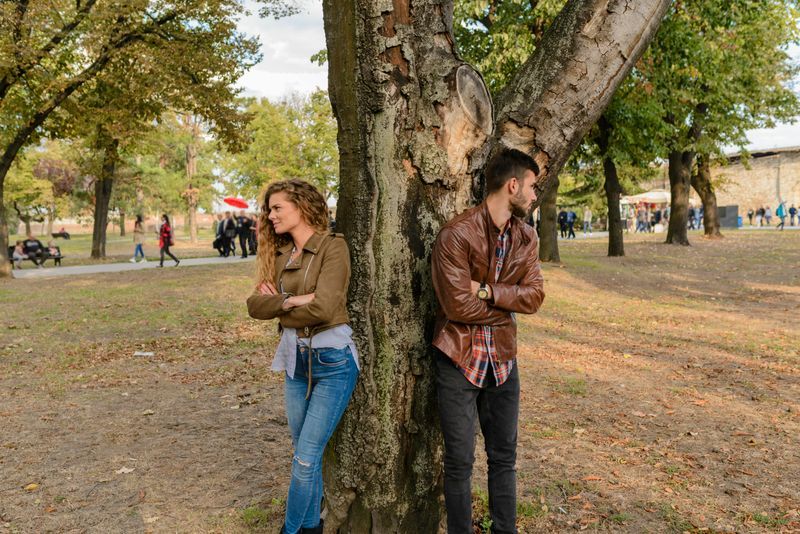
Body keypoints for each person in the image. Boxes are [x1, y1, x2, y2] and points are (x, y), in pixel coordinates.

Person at [431, 148, 545, 534]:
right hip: (458, 359)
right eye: (532, 186)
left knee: (504, 458)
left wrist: (487, 291)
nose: (535, 195)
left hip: (502, 362)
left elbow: (534, 296)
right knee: (459, 463)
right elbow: (456, 305)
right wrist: (506, 309)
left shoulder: (527, 238)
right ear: (513, 185)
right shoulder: (456, 234)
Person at [247, 179, 359, 534]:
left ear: (302, 206)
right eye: (269, 209)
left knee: (306, 459)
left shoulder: (333, 247)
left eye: (277, 207)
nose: (271, 215)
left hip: (334, 363)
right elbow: (255, 305)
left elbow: (325, 308)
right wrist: (294, 301)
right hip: (295, 362)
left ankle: (292, 530)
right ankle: (311, 527)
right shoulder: (281, 254)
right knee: (303, 454)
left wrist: (280, 305)